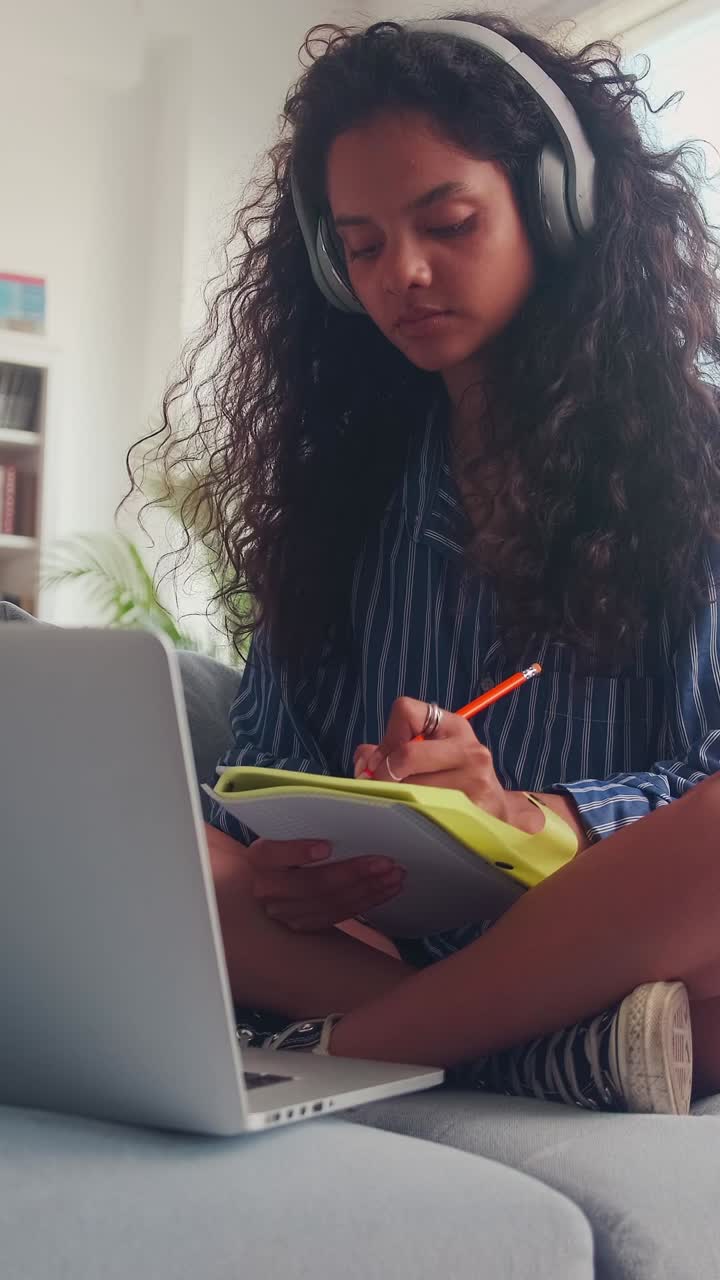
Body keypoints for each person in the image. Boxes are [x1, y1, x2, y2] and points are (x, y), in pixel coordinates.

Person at [128, 12, 720, 1113]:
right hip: (378, 937)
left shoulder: (701, 463)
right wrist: (289, 847)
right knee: (150, 853)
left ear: (558, 206)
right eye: (359, 245)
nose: (402, 271)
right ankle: (528, 1051)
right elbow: (264, 752)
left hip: (623, 934)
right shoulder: (341, 489)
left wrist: (536, 814)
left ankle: (357, 1046)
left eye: (448, 222)